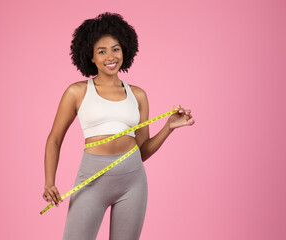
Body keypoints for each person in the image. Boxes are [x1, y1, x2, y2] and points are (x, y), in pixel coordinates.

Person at [42, 12, 195, 240]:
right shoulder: (77, 92)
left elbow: (142, 151)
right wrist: (49, 182)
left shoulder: (138, 95)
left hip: (133, 182)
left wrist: (168, 127)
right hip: (91, 180)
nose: (110, 56)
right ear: (90, 57)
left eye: (115, 49)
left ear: (125, 50)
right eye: (101, 51)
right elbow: (54, 139)